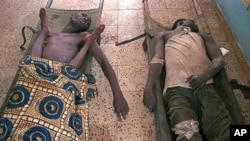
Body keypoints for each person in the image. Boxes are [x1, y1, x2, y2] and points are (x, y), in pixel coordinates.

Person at [33, 8, 129, 121]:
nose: (85, 19)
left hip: (61, 78)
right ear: (72, 16)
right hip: (39, 72)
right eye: (84, 15)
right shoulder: (52, 35)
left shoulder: (82, 36)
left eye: (88, 22)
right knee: (31, 60)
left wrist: (117, 93)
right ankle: (43, 29)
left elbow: (103, 60)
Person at [143, 19, 232, 141]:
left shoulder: (202, 36)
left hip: (206, 88)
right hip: (177, 93)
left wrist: (205, 75)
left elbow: (219, 59)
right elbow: (157, 59)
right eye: (191, 21)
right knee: (187, 135)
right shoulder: (164, 35)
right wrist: (148, 89)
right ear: (180, 23)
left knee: (226, 131)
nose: (194, 24)